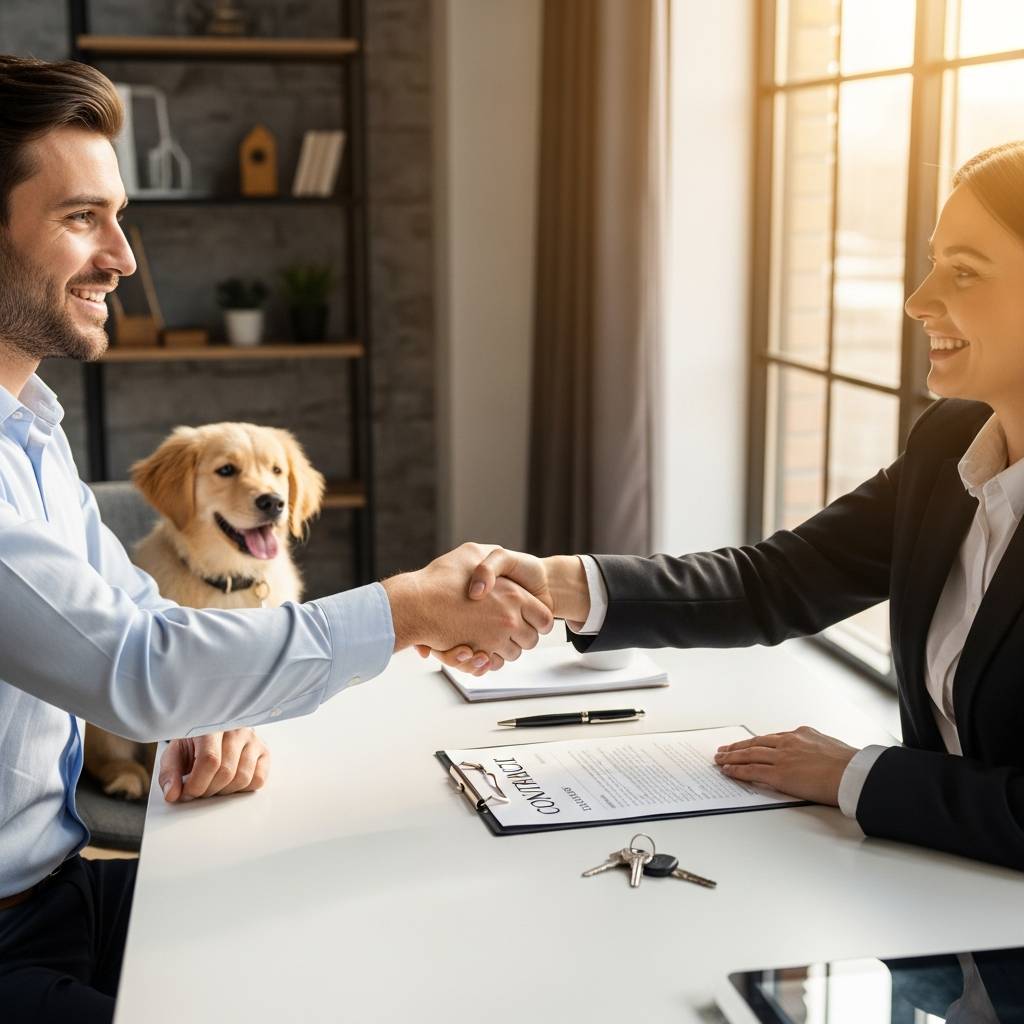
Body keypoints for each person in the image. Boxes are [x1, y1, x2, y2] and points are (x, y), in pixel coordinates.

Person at [0, 55, 550, 1023]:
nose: (124, 258)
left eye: (117, 217)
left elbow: (135, 616)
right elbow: (136, 665)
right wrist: (409, 606)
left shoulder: (30, 428)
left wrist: (206, 711)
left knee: (357, 934)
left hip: (56, 892)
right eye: (81, 217)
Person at [444, 139, 1024, 876]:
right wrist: (559, 585)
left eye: (963, 272)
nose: (917, 300)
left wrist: (853, 774)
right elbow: (777, 581)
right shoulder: (951, 445)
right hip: (928, 888)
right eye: (933, 261)